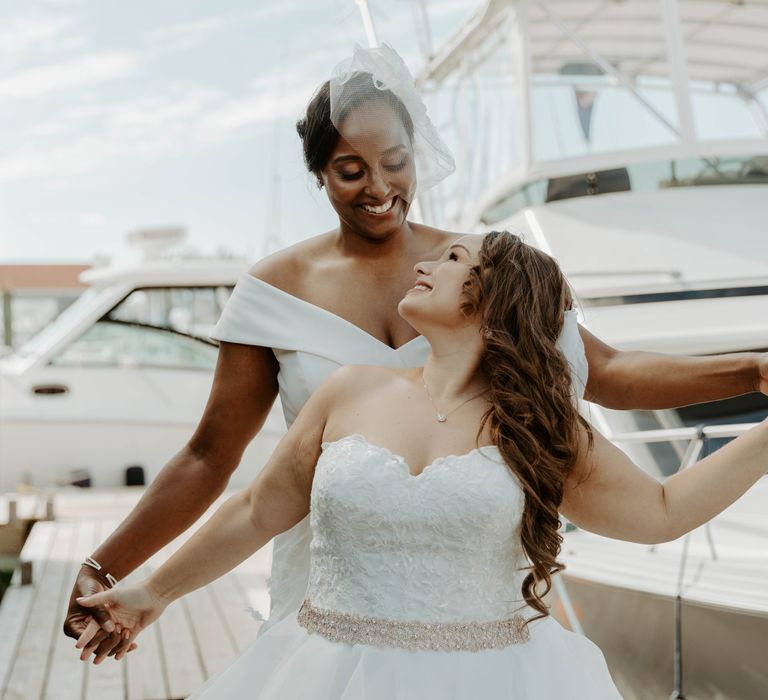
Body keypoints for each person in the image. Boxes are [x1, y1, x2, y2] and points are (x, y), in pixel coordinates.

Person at [63, 44, 768, 664]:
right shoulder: (279, 299)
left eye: (395, 163)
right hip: (330, 587)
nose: (379, 187)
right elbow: (215, 464)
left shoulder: (491, 282)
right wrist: (119, 574)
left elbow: (610, 385)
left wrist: (754, 370)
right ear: (319, 173)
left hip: (473, 607)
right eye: (350, 170)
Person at [73, 231, 768, 699]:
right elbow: (258, 510)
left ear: (495, 300)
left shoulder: (538, 426)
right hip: (327, 674)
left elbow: (663, 513)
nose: (424, 263)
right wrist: (152, 591)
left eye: (454, 260)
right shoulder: (349, 389)